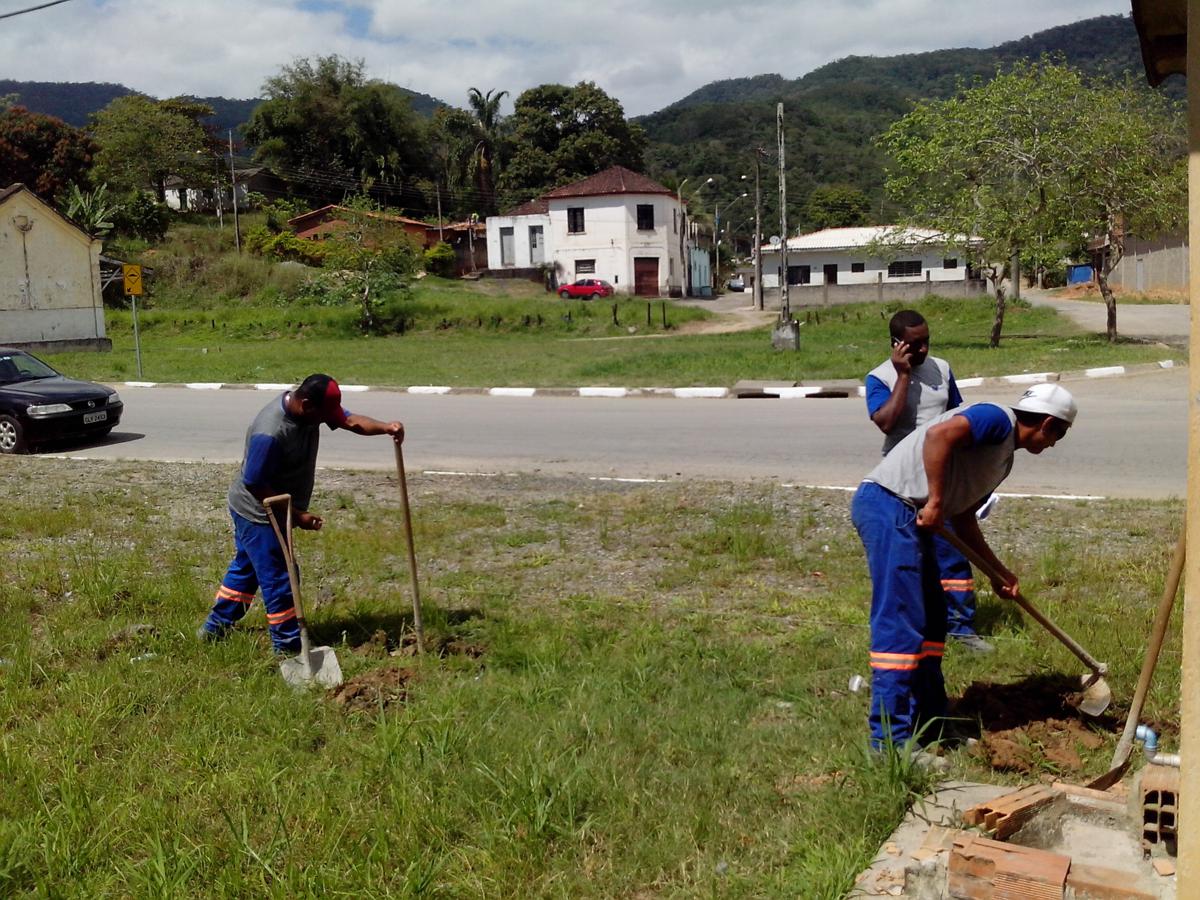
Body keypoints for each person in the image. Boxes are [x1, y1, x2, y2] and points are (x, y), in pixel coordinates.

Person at [851, 382, 1077, 754]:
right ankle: (889, 744)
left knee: (932, 623)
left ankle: (932, 723)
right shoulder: (995, 419)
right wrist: (936, 501)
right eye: (1059, 434)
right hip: (891, 505)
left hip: (913, 515)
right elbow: (938, 436)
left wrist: (998, 572)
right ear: (1048, 423)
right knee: (902, 626)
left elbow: (964, 518)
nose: (1054, 444)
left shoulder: (1003, 457)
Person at [198, 374, 404, 654]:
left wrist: (386, 427)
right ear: (306, 404)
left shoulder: (311, 409)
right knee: (281, 578)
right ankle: (289, 648)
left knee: (247, 570)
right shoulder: (270, 432)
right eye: (323, 416)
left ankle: (213, 630)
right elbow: (255, 484)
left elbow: (350, 421)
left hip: (270, 508)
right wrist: (297, 516)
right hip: (257, 513)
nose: (327, 421)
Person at [865, 310, 993, 654]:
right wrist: (903, 375)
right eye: (914, 344)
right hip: (900, 484)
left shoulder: (943, 369)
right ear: (897, 344)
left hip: (942, 478)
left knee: (953, 553)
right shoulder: (879, 378)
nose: (923, 349)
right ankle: (919, 625)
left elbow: (959, 417)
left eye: (926, 342)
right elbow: (887, 422)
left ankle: (962, 628)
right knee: (909, 556)